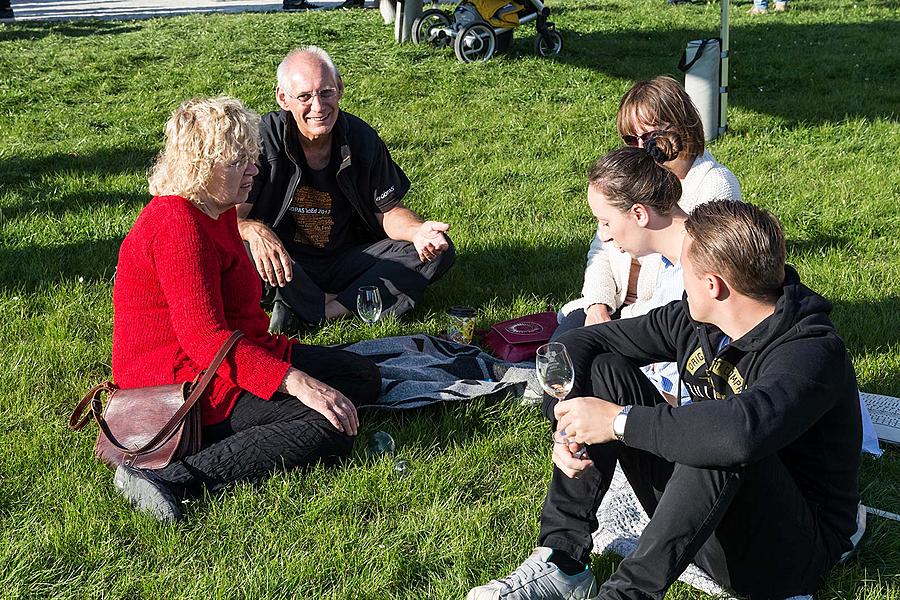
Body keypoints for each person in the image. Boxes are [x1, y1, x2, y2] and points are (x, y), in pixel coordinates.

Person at [469, 200, 862, 599]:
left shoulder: (811, 350)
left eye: (683, 269)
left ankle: (627, 594)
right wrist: (565, 422)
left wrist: (619, 422)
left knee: (716, 436)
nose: (676, 277)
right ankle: (564, 561)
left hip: (788, 556)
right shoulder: (694, 320)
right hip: (706, 520)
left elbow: (739, 434)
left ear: (713, 285)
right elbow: (581, 340)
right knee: (606, 369)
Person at [110, 97, 381, 523]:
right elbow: (205, 340)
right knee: (323, 426)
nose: (254, 168)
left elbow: (234, 325)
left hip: (232, 355)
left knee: (362, 377)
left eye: (252, 157)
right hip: (187, 385)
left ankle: (264, 423)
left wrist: (292, 370)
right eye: (239, 160)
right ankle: (173, 478)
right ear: (201, 164)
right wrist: (294, 382)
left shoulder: (214, 213)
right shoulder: (175, 224)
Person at [237, 46, 454, 335]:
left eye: (326, 92)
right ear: (283, 98)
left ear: (339, 88)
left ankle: (326, 310)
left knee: (437, 250)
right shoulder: (263, 139)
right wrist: (254, 230)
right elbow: (229, 218)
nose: (318, 106)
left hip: (345, 259)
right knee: (239, 249)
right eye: (304, 96)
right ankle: (345, 301)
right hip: (285, 261)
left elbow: (387, 211)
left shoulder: (360, 137)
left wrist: (417, 232)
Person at [557, 76, 741, 341]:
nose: (642, 148)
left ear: (681, 126)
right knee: (562, 347)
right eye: (631, 140)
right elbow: (601, 247)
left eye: (652, 136)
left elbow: (690, 283)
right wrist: (597, 304)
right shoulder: (634, 173)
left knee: (581, 357)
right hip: (616, 304)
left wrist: (618, 323)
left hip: (667, 317)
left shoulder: (715, 185)